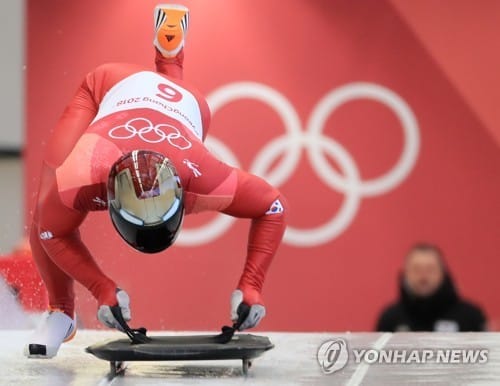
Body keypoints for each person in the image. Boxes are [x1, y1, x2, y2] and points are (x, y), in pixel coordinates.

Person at [25, 4, 287, 358]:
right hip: (107, 87)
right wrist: (101, 287)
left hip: (185, 107)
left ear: (184, 197)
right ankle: (61, 311)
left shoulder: (203, 176)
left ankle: (170, 55)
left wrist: (252, 286)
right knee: (46, 204)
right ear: (108, 199)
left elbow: (272, 207)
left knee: (50, 211)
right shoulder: (83, 172)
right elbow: (49, 230)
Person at [376, 243, 486, 332]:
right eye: (416, 269)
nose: (423, 276)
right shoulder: (390, 318)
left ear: (443, 273)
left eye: (430, 269)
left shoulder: (470, 316)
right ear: (405, 274)